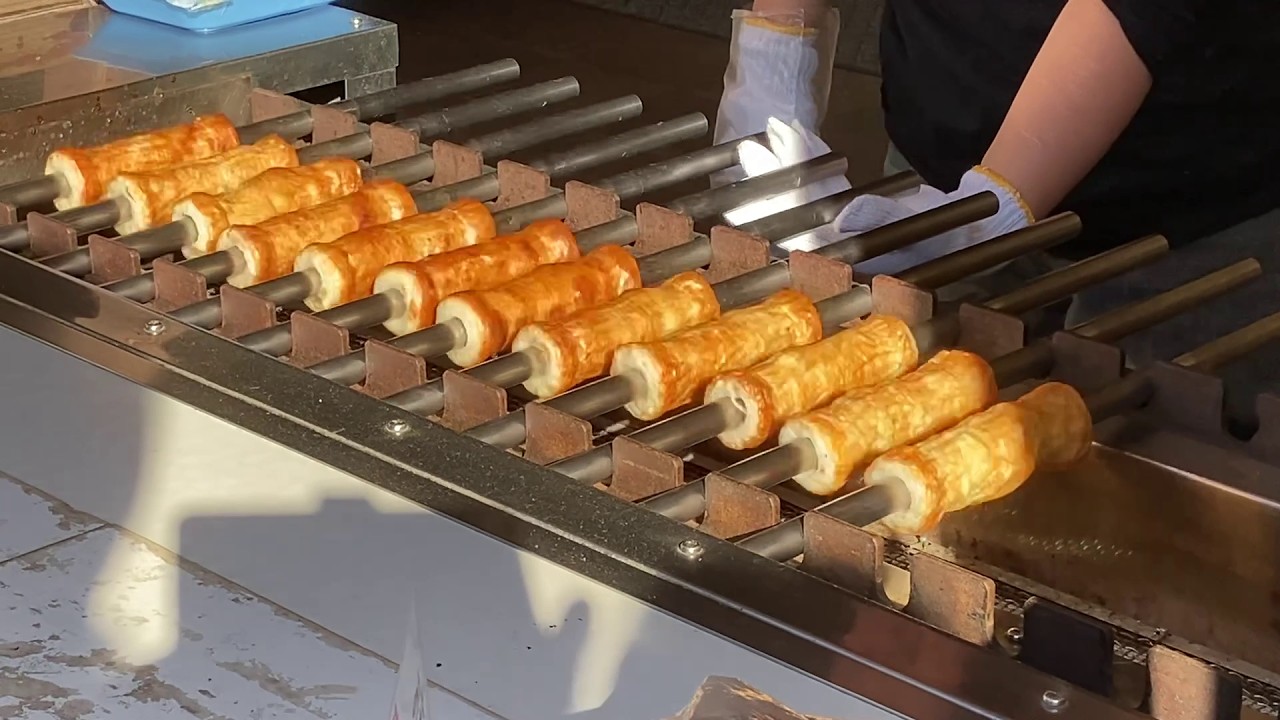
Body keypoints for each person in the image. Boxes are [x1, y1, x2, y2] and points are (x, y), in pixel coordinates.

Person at [716, 0, 1280, 428]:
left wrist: (994, 205)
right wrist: (777, 47)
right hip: (938, 163)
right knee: (903, 421)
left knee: (1139, 488)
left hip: (1190, 213)